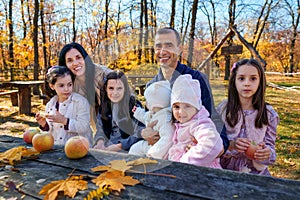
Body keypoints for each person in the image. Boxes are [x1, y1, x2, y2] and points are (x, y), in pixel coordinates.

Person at [142, 27, 229, 153]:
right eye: (158, 46)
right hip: (159, 154)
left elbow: (212, 117)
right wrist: (144, 133)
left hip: (188, 154)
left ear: (179, 49)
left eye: (169, 45)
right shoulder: (151, 86)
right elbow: (147, 118)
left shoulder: (196, 79)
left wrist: (218, 148)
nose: (162, 51)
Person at [217, 58, 279, 175]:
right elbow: (213, 141)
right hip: (224, 171)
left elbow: (271, 149)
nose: (247, 83)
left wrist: (266, 153)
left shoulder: (268, 114)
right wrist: (231, 145)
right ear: (234, 81)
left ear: (260, 82)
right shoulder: (223, 109)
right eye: (241, 78)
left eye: (253, 79)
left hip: (255, 174)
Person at [58, 42, 111, 142]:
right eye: (69, 61)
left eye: (78, 57)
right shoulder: (70, 85)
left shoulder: (105, 76)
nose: (75, 63)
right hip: (97, 130)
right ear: (65, 65)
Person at [168, 74, 223, 168]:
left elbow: (212, 144)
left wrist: (186, 161)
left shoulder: (200, 124)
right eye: (176, 107)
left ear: (197, 107)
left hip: (204, 174)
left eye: (187, 106)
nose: (181, 112)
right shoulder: (182, 123)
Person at [35, 66, 93, 145]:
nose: (67, 89)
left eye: (69, 84)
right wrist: (44, 125)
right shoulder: (50, 104)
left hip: (80, 148)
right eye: (61, 85)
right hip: (57, 149)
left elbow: (84, 126)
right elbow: (51, 131)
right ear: (52, 86)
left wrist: (64, 121)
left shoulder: (80, 102)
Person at [93, 70, 145, 152]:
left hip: (128, 147)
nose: (115, 93)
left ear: (125, 89)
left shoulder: (133, 105)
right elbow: (100, 129)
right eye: (111, 88)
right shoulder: (104, 106)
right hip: (108, 145)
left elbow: (140, 132)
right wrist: (100, 142)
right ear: (106, 89)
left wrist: (119, 146)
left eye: (119, 88)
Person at [128, 80, 175, 159]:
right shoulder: (153, 113)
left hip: (159, 150)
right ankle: (130, 162)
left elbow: (167, 139)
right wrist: (137, 112)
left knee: (137, 149)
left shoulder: (166, 120)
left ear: (154, 103)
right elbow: (145, 117)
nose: (146, 103)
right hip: (150, 144)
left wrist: (154, 153)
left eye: (147, 100)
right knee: (135, 148)